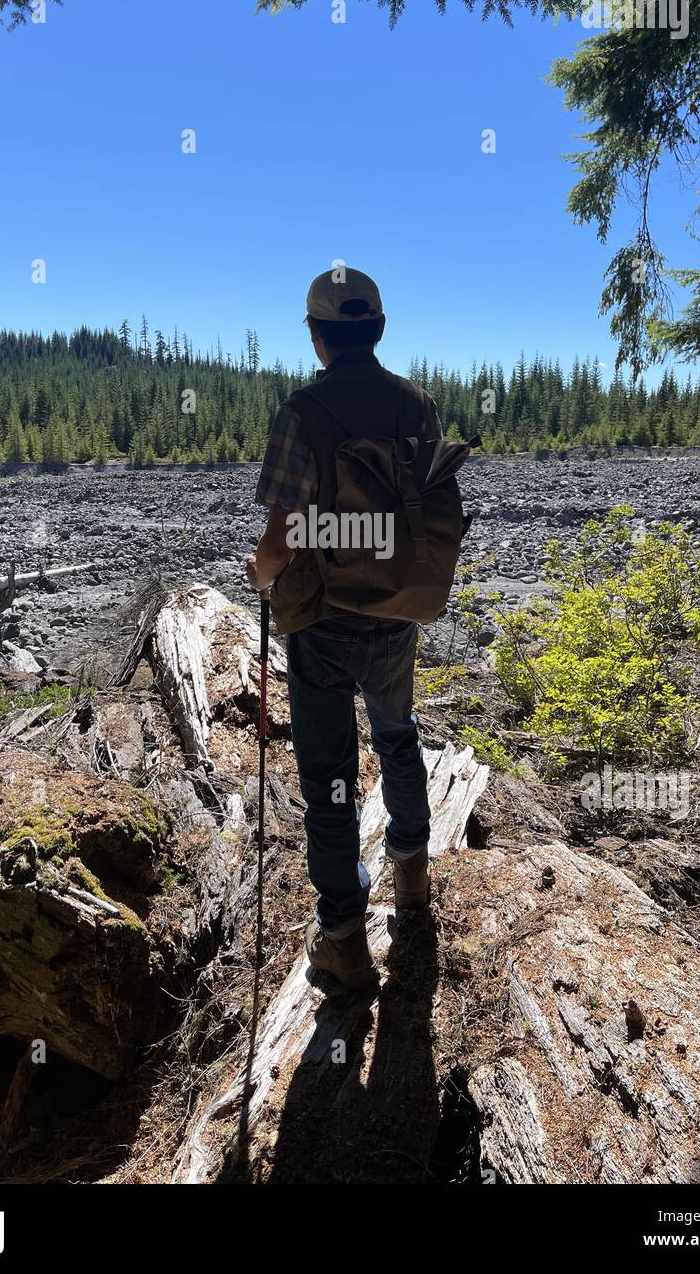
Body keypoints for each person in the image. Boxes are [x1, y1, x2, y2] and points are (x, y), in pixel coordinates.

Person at [245, 268, 443, 987]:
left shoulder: (303, 411)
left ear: (317, 335)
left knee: (327, 775)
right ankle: (413, 882)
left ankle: (342, 937)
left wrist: (259, 577)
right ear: (379, 330)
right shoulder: (417, 407)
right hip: (394, 608)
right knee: (397, 736)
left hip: (320, 619)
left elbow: (280, 538)